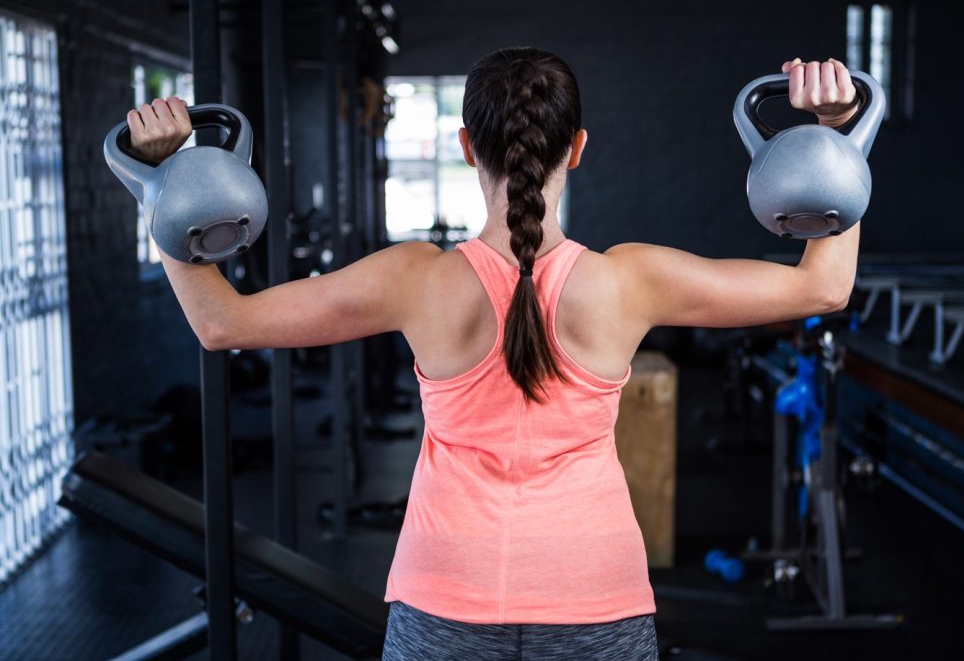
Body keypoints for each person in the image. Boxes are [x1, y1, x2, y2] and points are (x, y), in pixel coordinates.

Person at [128, 48, 860, 661]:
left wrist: (164, 188)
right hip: (595, 604)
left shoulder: (415, 280)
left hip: (442, 605)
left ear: (467, 147)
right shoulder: (630, 281)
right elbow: (824, 287)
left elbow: (221, 323)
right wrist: (838, 140)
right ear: (577, 147)